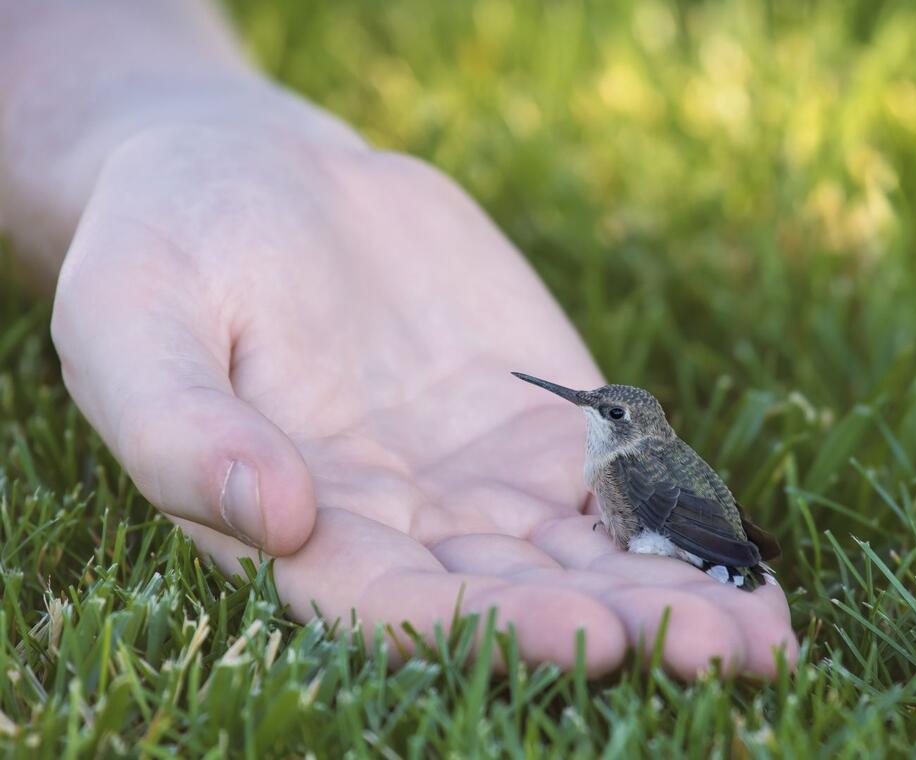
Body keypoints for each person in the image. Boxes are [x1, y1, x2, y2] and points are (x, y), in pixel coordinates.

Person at [0, 0, 795, 679]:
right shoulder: (616, 461)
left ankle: (729, 561)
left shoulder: (634, 468)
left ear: (633, 430)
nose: (586, 410)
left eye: (606, 413)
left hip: (680, 528)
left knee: (690, 539)